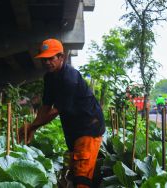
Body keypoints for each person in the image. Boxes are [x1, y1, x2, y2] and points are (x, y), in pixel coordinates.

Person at [20, 38, 105, 188]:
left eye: (51, 58)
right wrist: (32, 126)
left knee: (82, 176)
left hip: (88, 127)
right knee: (73, 170)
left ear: (62, 57)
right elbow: (46, 106)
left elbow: (55, 111)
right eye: (44, 59)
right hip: (73, 129)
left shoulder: (69, 78)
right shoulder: (49, 77)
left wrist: (32, 127)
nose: (47, 62)